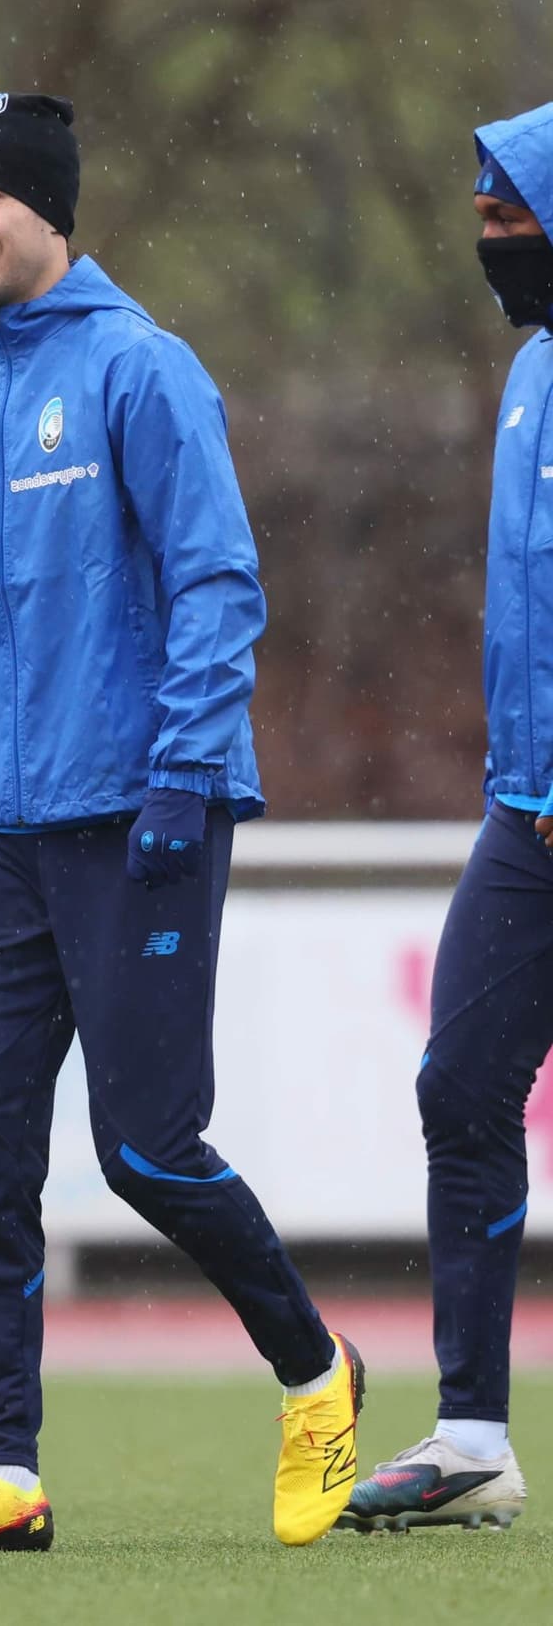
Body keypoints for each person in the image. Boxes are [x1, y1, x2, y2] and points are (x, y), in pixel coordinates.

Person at [0, 92, 363, 1555]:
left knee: (147, 1147)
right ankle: (4, 1469)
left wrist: (182, 771)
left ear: (50, 211)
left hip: (142, 813)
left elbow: (217, 582)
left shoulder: (144, 371)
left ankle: (316, 1366)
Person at [339, 105, 553, 1535]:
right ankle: (474, 1433)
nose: (493, 243)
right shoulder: (532, 369)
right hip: (526, 814)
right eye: (482, 219)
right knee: (461, 1086)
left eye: (512, 217)